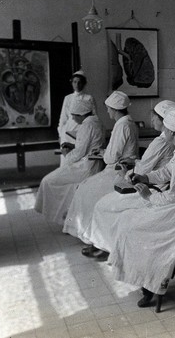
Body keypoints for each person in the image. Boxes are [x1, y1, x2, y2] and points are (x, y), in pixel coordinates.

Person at [103, 108, 175, 307]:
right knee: (129, 218)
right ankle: (146, 280)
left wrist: (149, 195)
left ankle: (151, 284)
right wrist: (146, 177)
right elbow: (168, 172)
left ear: (171, 131)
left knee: (134, 226)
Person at [79, 100, 175, 260]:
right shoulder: (169, 140)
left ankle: (104, 246)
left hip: (152, 188)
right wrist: (136, 164)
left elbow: (143, 171)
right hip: (158, 184)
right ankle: (104, 243)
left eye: (154, 117)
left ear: (163, 121)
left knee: (103, 204)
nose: (152, 120)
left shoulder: (161, 142)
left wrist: (128, 171)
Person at [63, 91, 139, 244]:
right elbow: (117, 150)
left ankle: (93, 238)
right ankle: (89, 233)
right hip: (119, 168)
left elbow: (111, 157)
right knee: (84, 187)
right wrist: (105, 152)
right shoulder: (127, 123)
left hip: (119, 172)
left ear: (115, 109)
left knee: (86, 190)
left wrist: (105, 155)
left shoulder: (122, 125)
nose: (108, 112)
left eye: (109, 109)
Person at [35, 99, 105, 225]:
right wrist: (73, 146)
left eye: (74, 116)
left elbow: (79, 153)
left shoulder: (86, 126)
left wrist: (66, 155)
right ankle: (67, 217)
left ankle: (60, 216)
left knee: (48, 181)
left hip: (85, 167)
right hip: (93, 164)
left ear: (81, 114)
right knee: (68, 186)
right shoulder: (97, 122)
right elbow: (88, 146)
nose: (73, 119)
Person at [57, 70, 97, 163]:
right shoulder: (68, 98)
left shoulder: (89, 98)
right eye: (75, 82)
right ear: (72, 83)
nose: (77, 85)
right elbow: (63, 117)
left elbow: (94, 116)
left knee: (80, 158)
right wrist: (60, 134)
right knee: (66, 160)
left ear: (84, 83)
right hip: (68, 132)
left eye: (80, 82)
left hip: (82, 131)